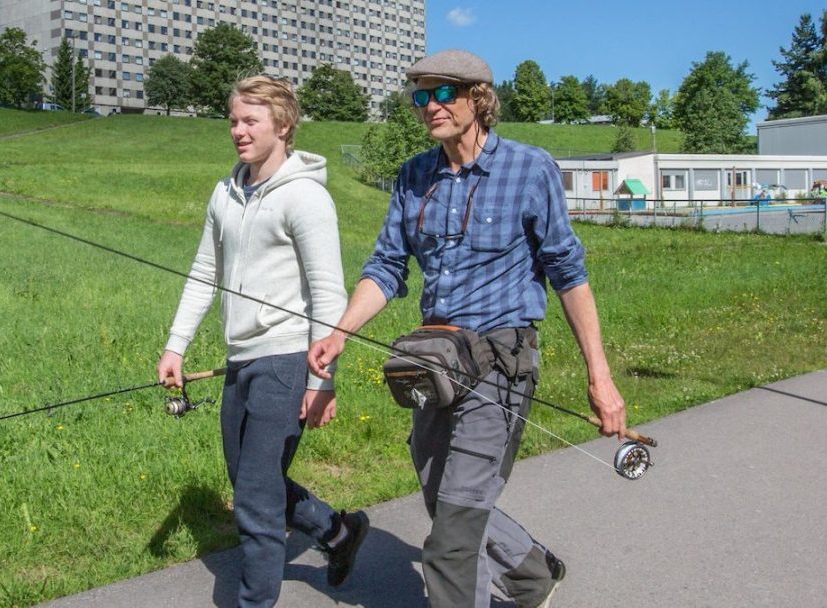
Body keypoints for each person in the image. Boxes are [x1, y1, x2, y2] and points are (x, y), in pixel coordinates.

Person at [307, 50, 628, 608]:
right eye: (419, 96)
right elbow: (386, 267)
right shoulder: (413, 176)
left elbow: (568, 274)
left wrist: (601, 378)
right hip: (435, 361)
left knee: (451, 538)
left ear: (478, 98)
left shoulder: (530, 169)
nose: (428, 106)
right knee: (440, 491)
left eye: (441, 93)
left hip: (504, 362)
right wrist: (341, 332)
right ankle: (531, 573)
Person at [157, 75, 369, 608]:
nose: (237, 130)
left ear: (283, 124)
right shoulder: (225, 193)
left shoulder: (306, 197)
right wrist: (176, 346)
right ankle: (337, 533)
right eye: (233, 119)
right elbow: (205, 272)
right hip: (239, 360)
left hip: (288, 358)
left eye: (250, 120)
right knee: (255, 479)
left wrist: (323, 380)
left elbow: (328, 293)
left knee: (252, 497)